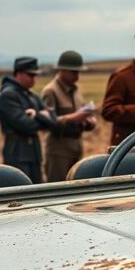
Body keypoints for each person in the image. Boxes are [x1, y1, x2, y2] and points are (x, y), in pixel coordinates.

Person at [0, 57, 59, 183]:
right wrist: (43, 117)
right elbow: (25, 125)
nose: (33, 79)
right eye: (30, 75)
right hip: (17, 152)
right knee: (20, 187)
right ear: (18, 74)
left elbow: (53, 121)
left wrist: (36, 115)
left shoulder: (31, 95)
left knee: (35, 188)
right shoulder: (8, 95)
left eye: (35, 75)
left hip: (33, 152)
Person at [41, 51, 97, 182]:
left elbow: (82, 112)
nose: (77, 76)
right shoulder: (50, 91)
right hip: (58, 150)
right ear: (62, 70)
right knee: (58, 187)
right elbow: (47, 123)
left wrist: (89, 121)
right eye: (73, 72)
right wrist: (74, 117)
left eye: (78, 72)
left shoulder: (76, 90)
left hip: (76, 146)